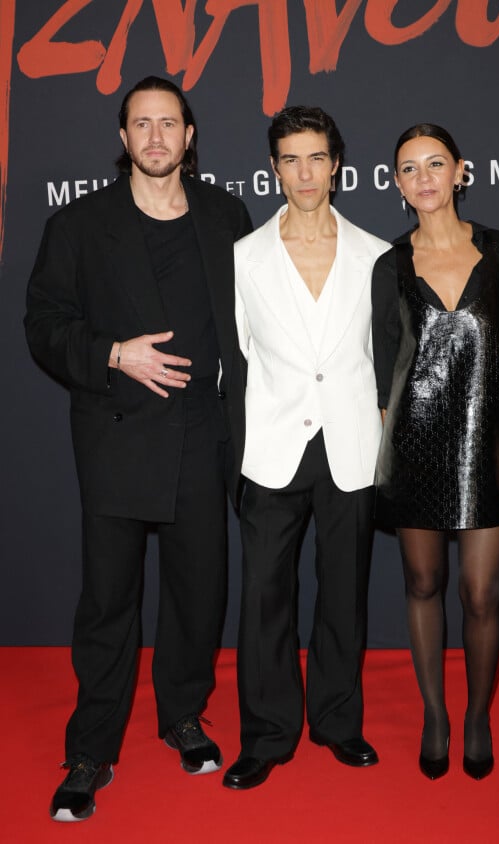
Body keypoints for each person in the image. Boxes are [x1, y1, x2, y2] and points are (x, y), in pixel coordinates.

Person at [25, 76, 252, 821]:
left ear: (190, 137)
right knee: (108, 604)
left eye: (170, 124)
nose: (156, 137)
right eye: (141, 125)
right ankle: (91, 749)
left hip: (201, 438)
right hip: (117, 439)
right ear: (123, 139)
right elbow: (44, 323)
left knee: (198, 596)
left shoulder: (226, 215)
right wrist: (116, 353)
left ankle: (183, 716)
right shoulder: (80, 224)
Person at [372, 123, 499, 781]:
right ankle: (434, 716)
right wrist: (382, 458)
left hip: (489, 444)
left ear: (459, 172)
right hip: (412, 446)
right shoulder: (388, 266)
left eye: (435, 164)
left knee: (481, 594)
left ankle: (476, 716)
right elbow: (382, 368)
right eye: (409, 168)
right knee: (423, 584)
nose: (424, 177)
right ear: (397, 184)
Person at [222, 106, 390, 790]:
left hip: (350, 443)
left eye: (316, 157)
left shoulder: (377, 254)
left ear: (337, 164)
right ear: (273, 169)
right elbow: (237, 357)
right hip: (271, 445)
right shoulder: (244, 256)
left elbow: (385, 360)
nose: (304, 173)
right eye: (290, 159)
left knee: (344, 592)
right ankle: (266, 734)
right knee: (263, 594)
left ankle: (338, 722)